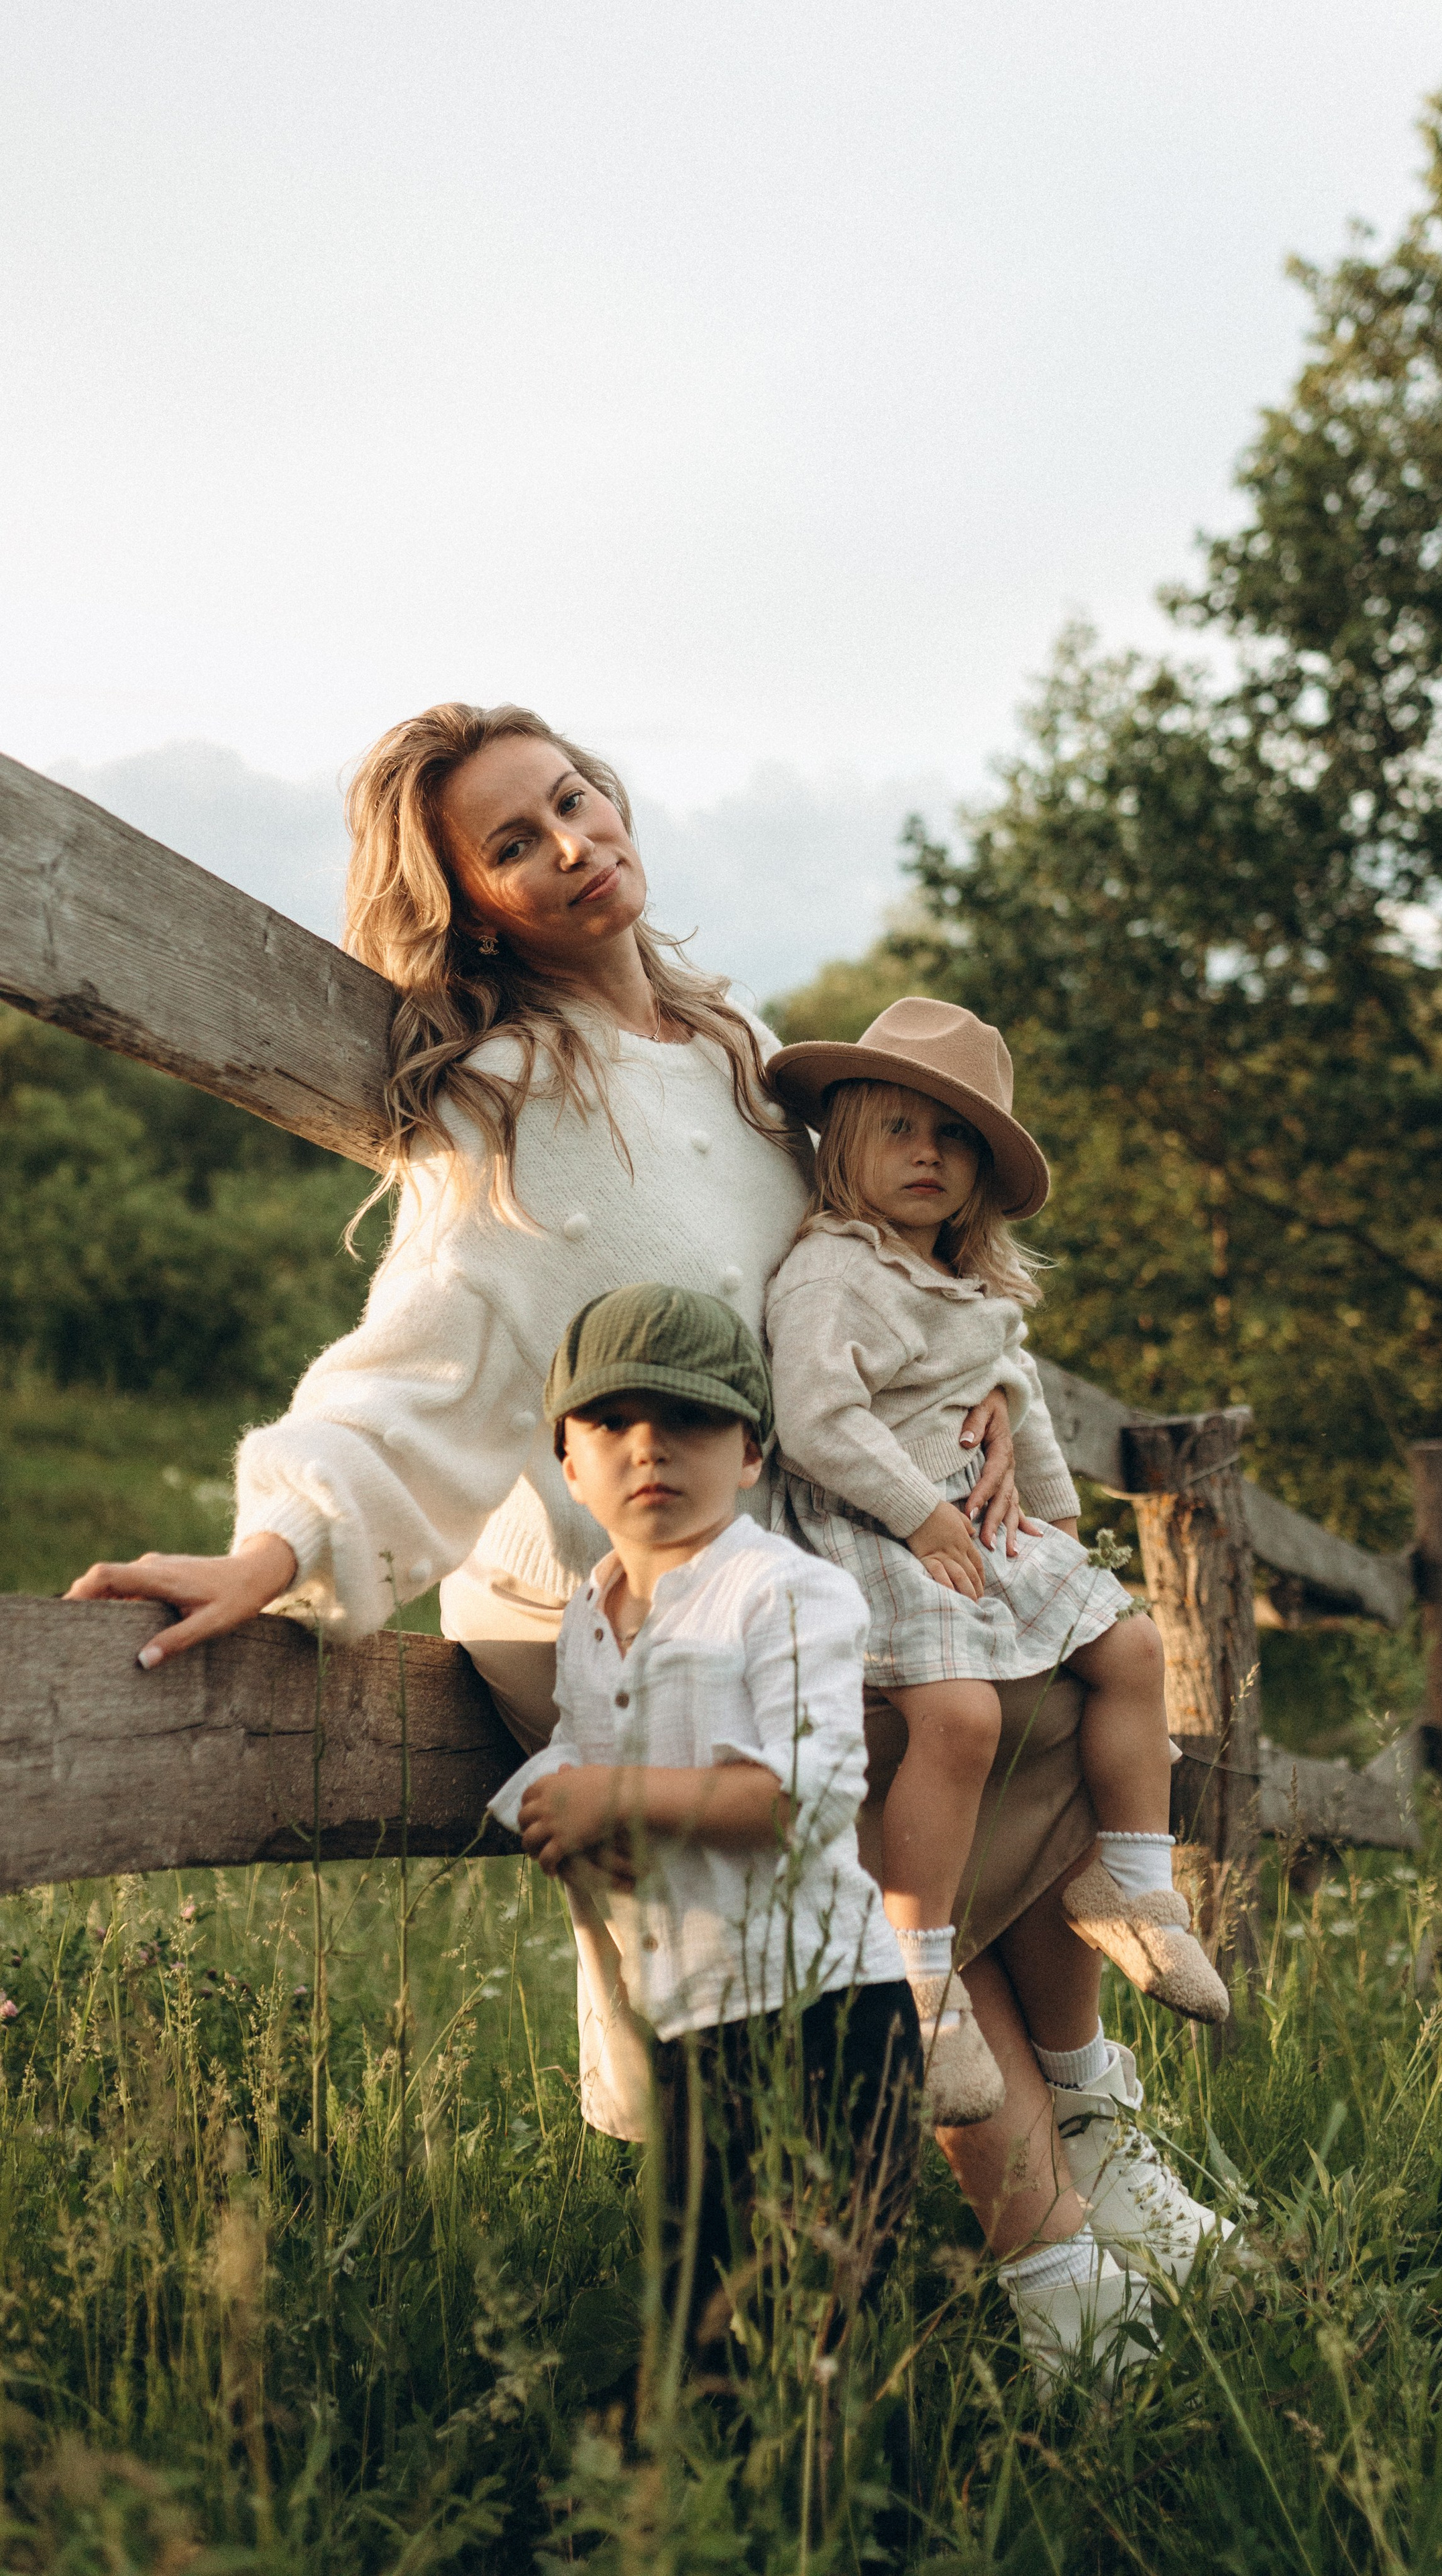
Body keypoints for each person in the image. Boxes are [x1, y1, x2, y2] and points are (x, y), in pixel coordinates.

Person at [64, 702, 1216, 2379]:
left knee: (1024, 1696)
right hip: (619, 1587)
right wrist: (280, 1539)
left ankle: (1106, 2169)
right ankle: (1063, 2292)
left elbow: (868, 1286)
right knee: (889, 1791)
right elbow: (433, 1346)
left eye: (574, 799)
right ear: (469, 905)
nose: (570, 844)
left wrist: (956, 1430)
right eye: (512, 843)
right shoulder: (510, 1097)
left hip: (808, 1545)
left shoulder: (734, 1058)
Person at [763, 997, 1230, 2131]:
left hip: (971, 1536)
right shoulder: (832, 1270)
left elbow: (1023, 1414)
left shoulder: (973, 1293)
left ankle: (1134, 1878)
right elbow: (819, 1420)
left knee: (1131, 1644)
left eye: (957, 1138)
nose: (930, 1155)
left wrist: (1060, 1534)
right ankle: (919, 1977)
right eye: (900, 1130)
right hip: (876, 1532)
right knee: (961, 1718)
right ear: (843, 1144)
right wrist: (926, 1517)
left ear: (982, 1176)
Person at [490, 1281, 920, 2347]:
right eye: (612, 1422)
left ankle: (852, 2500)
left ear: (753, 1452)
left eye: (689, 1418)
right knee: (700, 2301)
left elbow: (808, 1793)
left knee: (823, 2311)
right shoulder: (589, 1615)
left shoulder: (786, 1592)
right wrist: (558, 1806)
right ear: (566, 1458)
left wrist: (617, 1795)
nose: (650, 1448)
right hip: (691, 2014)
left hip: (829, 2012)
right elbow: (591, 1758)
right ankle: (695, 2491)